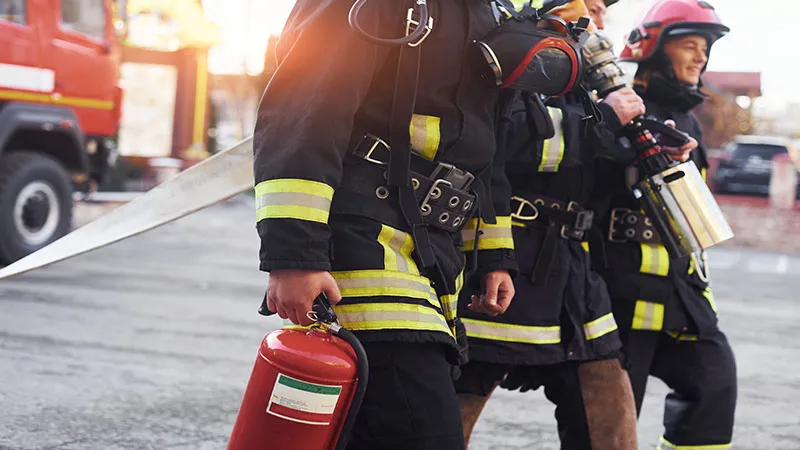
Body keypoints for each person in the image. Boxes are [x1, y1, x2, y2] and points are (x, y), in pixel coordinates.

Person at [252, 0, 519, 448]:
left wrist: (493, 255)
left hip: (435, 256)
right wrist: (294, 258)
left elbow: (483, 151)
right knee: (423, 432)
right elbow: (302, 118)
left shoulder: (488, 10)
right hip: (364, 243)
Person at [453, 1, 641, 449]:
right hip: (503, 263)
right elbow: (510, 142)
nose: (599, 23)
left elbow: (586, 177)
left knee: (610, 415)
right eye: (590, 8)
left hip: (572, 280)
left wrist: (642, 154)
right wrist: (607, 122)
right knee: (441, 421)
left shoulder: (584, 85)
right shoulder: (513, 56)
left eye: (603, 13)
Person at [590, 1, 738, 448]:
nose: (701, 57)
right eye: (690, 45)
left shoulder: (689, 119)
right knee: (613, 423)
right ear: (651, 47)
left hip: (679, 292)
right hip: (618, 292)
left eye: (705, 48)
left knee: (715, 385)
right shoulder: (613, 106)